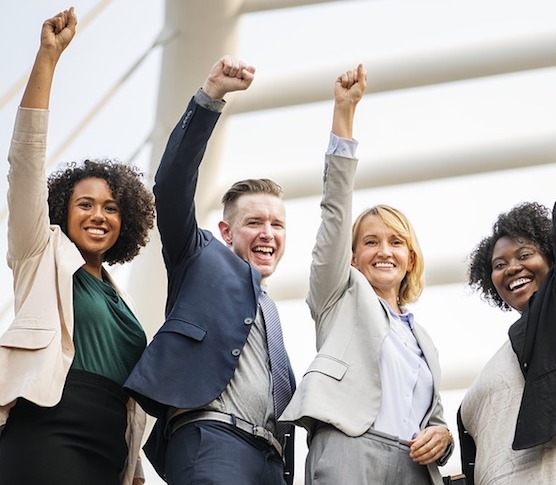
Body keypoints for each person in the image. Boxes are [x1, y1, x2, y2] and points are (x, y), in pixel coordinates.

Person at [0, 8, 155, 485]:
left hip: (109, 445)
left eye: (110, 208)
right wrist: (48, 57)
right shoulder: (38, 253)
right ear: (62, 213)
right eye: (84, 204)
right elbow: (26, 160)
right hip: (47, 427)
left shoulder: (123, 302)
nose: (98, 215)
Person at [124, 55, 295, 485]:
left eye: (277, 225)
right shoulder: (198, 256)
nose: (267, 234)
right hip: (213, 439)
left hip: (272, 462)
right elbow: (172, 185)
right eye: (254, 222)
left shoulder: (269, 311)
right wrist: (210, 98)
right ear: (225, 231)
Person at [280, 65, 453, 484]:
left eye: (396, 242)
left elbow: (435, 416)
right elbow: (336, 212)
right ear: (352, 258)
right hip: (351, 448)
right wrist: (345, 115)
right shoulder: (339, 297)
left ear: (410, 259)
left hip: (414, 466)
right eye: (370, 242)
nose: (383, 251)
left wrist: (442, 436)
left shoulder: (421, 337)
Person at [459, 75, 556, 484]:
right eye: (499, 265)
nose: (511, 268)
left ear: (553, 259)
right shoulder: (511, 347)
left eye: (524, 255)